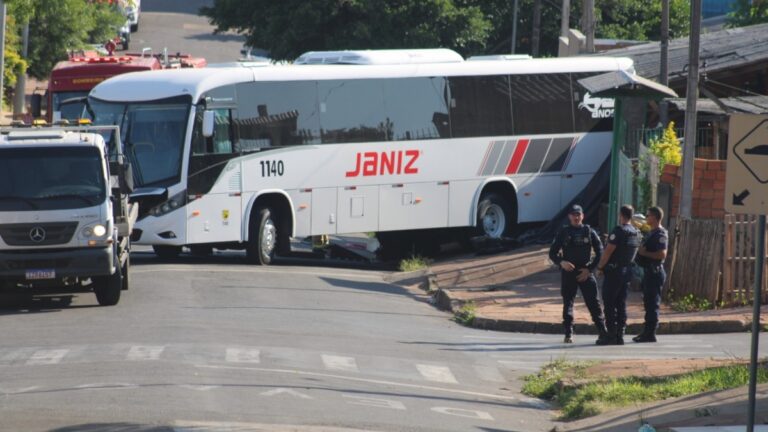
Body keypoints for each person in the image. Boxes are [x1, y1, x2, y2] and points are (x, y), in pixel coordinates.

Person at [548, 204, 610, 344]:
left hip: (585, 272)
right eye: (573, 214)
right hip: (569, 272)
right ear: (569, 216)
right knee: (568, 302)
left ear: (582, 216)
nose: (576, 217)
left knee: (593, 303)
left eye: (578, 214)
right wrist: (561, 262)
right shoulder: (564, 232)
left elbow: (600, 252)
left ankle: (602, 331)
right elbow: (552, 253)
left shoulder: (589, 231)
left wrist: (590, 269)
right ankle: (568, 332)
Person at [596, 205, 642, 345]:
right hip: (627, 272)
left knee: (609, 303)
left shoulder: (619, 231)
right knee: (621, 303)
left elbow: (608, 252)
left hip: (614, 272)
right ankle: (620, 334)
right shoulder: (636, 232)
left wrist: (600, 267)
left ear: (620, 214)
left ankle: (611, 335)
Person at [633, 206, 668, 343]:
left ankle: (650, 333)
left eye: (648, 216)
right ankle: (646, 331)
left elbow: (662, 254)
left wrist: (644, 253)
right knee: (648, 303)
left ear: (655, 217)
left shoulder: (660, 234)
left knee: (653, 304)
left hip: (655, 272)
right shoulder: (651, 232)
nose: (646, 218)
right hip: (649, 271)